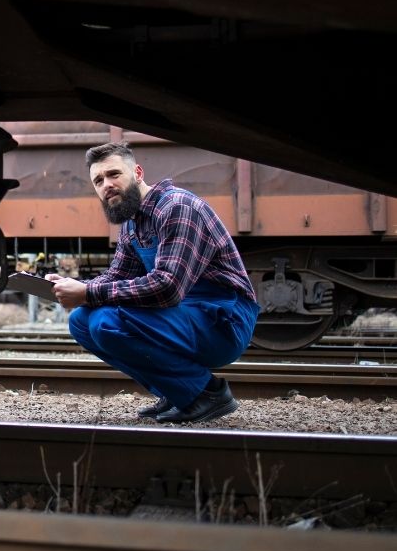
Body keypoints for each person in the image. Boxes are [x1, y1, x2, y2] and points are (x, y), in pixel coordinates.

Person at [44, 141, 261, 424]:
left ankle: (205, 394)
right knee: (82, 322)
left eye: (114, 174)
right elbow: (116, 278)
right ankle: (178, 392)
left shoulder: (176, 207)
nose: (106, 185)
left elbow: (167, 287)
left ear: (137, 172)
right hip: (185, 314)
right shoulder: (132, 224)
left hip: (223, 319)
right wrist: (74, 285)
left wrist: (87, 292)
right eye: (98, 180)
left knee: (105, 322)